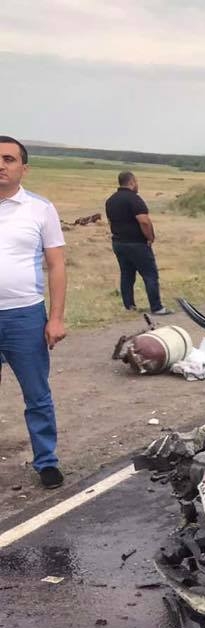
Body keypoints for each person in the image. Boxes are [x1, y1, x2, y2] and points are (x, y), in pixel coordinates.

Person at [0, 136, 67, 489]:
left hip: (24, 316)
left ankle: (47, 461)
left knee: (37, 394)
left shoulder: (40, 208)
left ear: (23, 168)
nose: (1, 165)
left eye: (9, 159)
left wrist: (55, 318)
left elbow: (56, 265)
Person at [105, 171, 172, 315]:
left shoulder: (111, 200)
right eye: (136, 182)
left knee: (127, 275)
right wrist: (150, 237)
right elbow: (144, 221)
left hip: (118, 242)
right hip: (136, 244)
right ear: (132, 182)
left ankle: (129, 306)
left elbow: (110, 221)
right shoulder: (134, 199)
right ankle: (157, 307)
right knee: (150, 275)